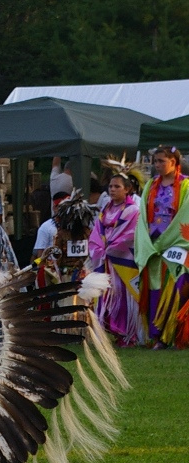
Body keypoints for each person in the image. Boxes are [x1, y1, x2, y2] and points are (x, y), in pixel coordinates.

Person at [134, 145, 189, 348]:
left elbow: (186, 216)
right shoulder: (151, 185)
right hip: (153, 244)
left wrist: (169, 240)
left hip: (175, 244)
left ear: (174, 162)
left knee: (174, 288)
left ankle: (172, 334)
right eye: (155, 161)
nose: (157, 165)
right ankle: (156, 335)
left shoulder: (186, 186)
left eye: (161, 161)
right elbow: (142, 217)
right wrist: (146, 243)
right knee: (154, 287)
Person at [88, 174, 142, 346]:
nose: (112, 189)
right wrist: (99, 250)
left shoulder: (132, 211)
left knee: (123, 298)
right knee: (105, 297)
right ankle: (109, 332)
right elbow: (96, 234)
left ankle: (127, 334)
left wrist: (112, 248)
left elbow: (131, 235)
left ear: (127, 189)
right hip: (105, 262)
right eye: (110, 186)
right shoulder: (105, 210)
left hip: (122, 264)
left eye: (117, 186)